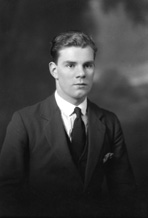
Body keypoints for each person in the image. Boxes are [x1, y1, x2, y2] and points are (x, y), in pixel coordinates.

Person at [0, 31, 137, 217]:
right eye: (71, 65)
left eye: (87, 65)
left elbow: (124, 191)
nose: (81, 73)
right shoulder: (24, 121)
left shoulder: (109, 121)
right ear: (54, 70)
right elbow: (7, 194)